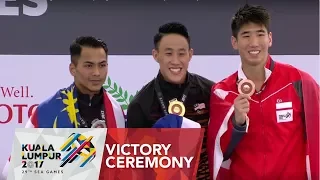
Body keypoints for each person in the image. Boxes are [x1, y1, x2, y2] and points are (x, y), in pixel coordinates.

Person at [207, 4, 319, 180]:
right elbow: (219, 154)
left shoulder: (300, 82)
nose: (254, 43)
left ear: (270, 38)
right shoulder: (222, 92)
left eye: (260, 34)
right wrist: (237, 124)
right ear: (234, 42)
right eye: (246, 35)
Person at [1, 36, 126, 179]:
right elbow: (11, 172)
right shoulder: (47, 111)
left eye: (102, 65)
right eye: (88, 65)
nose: (97, 73)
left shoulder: (117, 111)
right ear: (73, 69)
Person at [126, 22, 214, 179]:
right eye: (168, 53)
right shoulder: (140, 104)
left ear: (190, 54)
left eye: (181, 53)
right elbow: (137, 165)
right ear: (155, 55)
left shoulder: (209, 92)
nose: (175, 61)